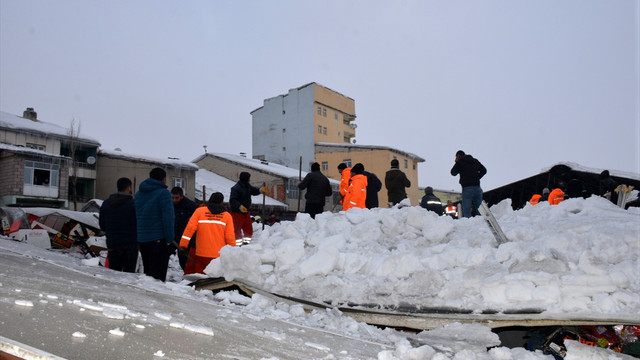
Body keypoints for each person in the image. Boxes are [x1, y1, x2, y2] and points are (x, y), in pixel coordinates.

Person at [134, 167, 175, 282]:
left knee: (148, 273)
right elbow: (168, 217)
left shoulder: (139, 193)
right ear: (163, 179)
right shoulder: (164, 193)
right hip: (158, 239)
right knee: (158, 276)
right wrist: (169, 238)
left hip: (143, 238)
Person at [179, 192, 236, 274]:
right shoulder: (227, 216)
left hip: (201, 253)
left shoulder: (199, 211)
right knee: (213, 277)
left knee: (200, 276)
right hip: (218, 255)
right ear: (222, 202)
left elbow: (189, 229)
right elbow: (230, 236)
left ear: (211, 200)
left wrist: (183, 245)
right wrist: (233, 251)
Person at [99, 177, 138, 273]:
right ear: (129, 188)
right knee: (128, 275)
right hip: (130, 244)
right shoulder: (133, 204)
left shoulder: (106, 203)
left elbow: (102, 226)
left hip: (113, 244)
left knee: (114, 273)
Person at [229, 172, 263, 245]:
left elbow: (253, 191)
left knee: (248, 228)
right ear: (246, 179)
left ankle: (247, 243)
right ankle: (237, 245)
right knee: (237, 230)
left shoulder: (247, 186)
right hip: (237, 213)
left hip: (246, 212)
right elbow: (233, 200)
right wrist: (239, 206)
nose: (249, 180)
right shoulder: (236, 188)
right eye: (249, 179)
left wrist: (260, 190)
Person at [450, 150, 487, 218]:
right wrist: (477, 178)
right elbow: (484, 170)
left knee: (467, 209)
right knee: (480, 209)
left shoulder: (460, 162)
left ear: (458, 156)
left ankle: (469, 225)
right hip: (477, 188)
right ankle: (483, 224)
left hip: (467, 188)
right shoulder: (475, 161)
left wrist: (457, 162)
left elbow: (453, 173)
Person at [171, 187, 197, 271]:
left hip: (185, 238)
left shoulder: (191, 206)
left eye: (176, 198)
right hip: (173, 236)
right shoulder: (169, 205)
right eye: (172, 197)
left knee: (183, 259)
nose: (174, 200)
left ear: (182, 196)